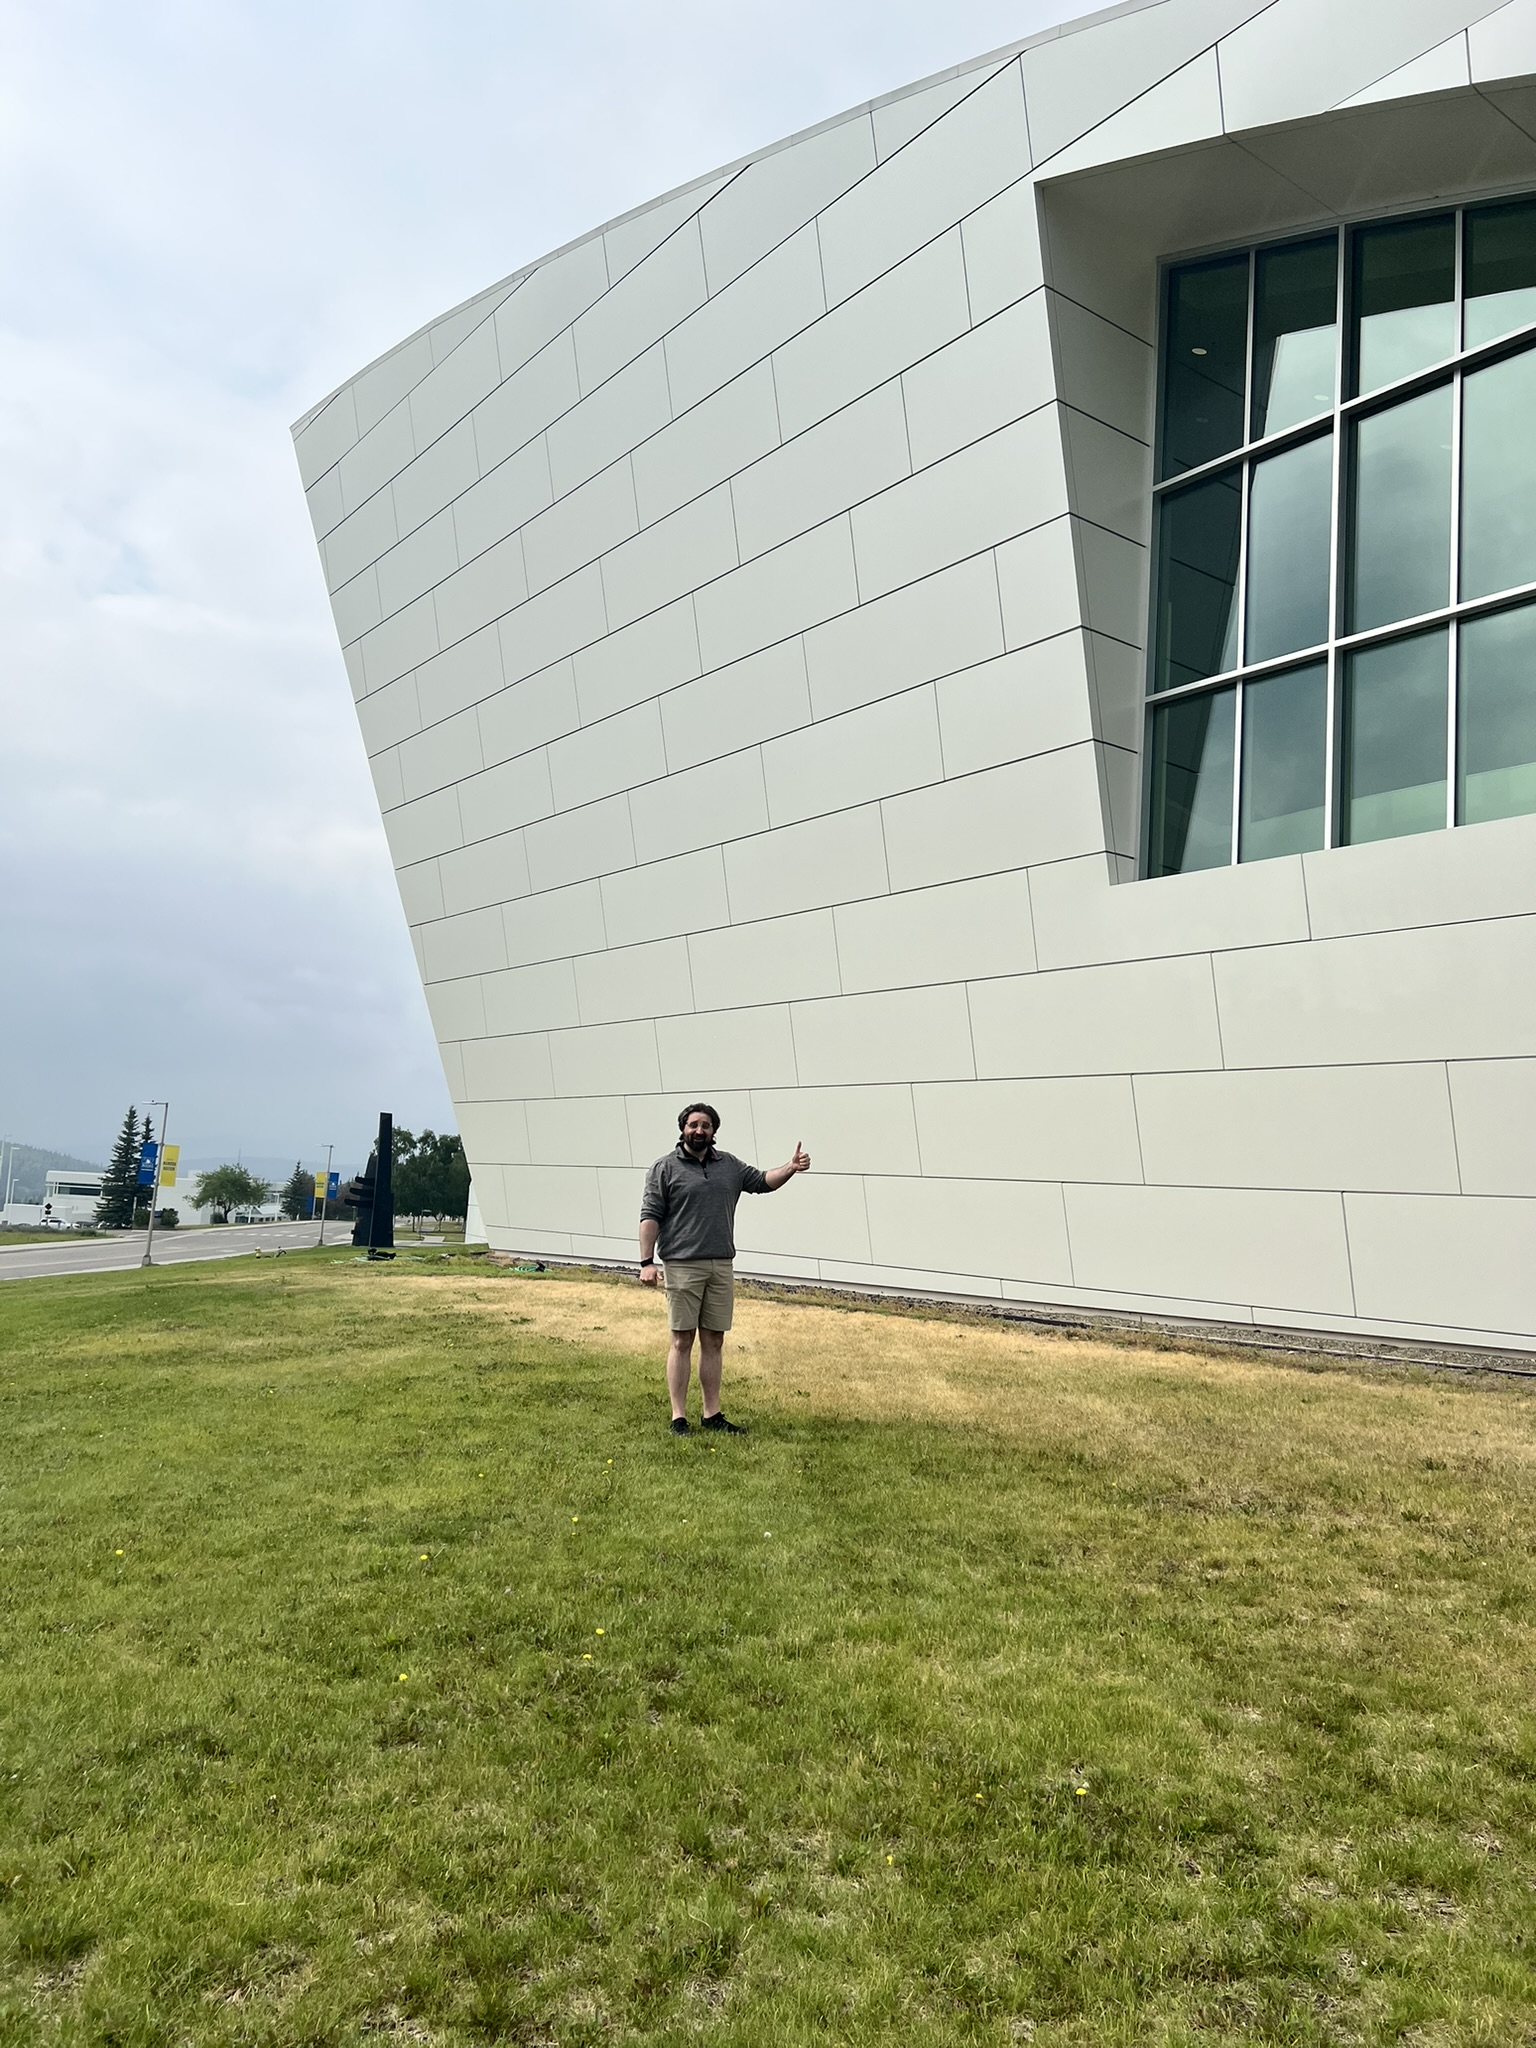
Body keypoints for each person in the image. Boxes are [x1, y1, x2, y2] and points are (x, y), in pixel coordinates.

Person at [639, 1103, 810, 1434]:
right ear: (683, 1129)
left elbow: (762, 1181)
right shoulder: (664, 1168)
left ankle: (711, 1414)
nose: (699, 1130)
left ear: (714, 1131)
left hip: (720, 1264)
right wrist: (646, 1262)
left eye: (706, 1125)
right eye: (693, 1125)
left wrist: (790, 1167)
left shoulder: (729, 1165)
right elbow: (650, 1216)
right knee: (682, 1340)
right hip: (681, 1264)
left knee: (714, 1340)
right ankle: (678, 1417)